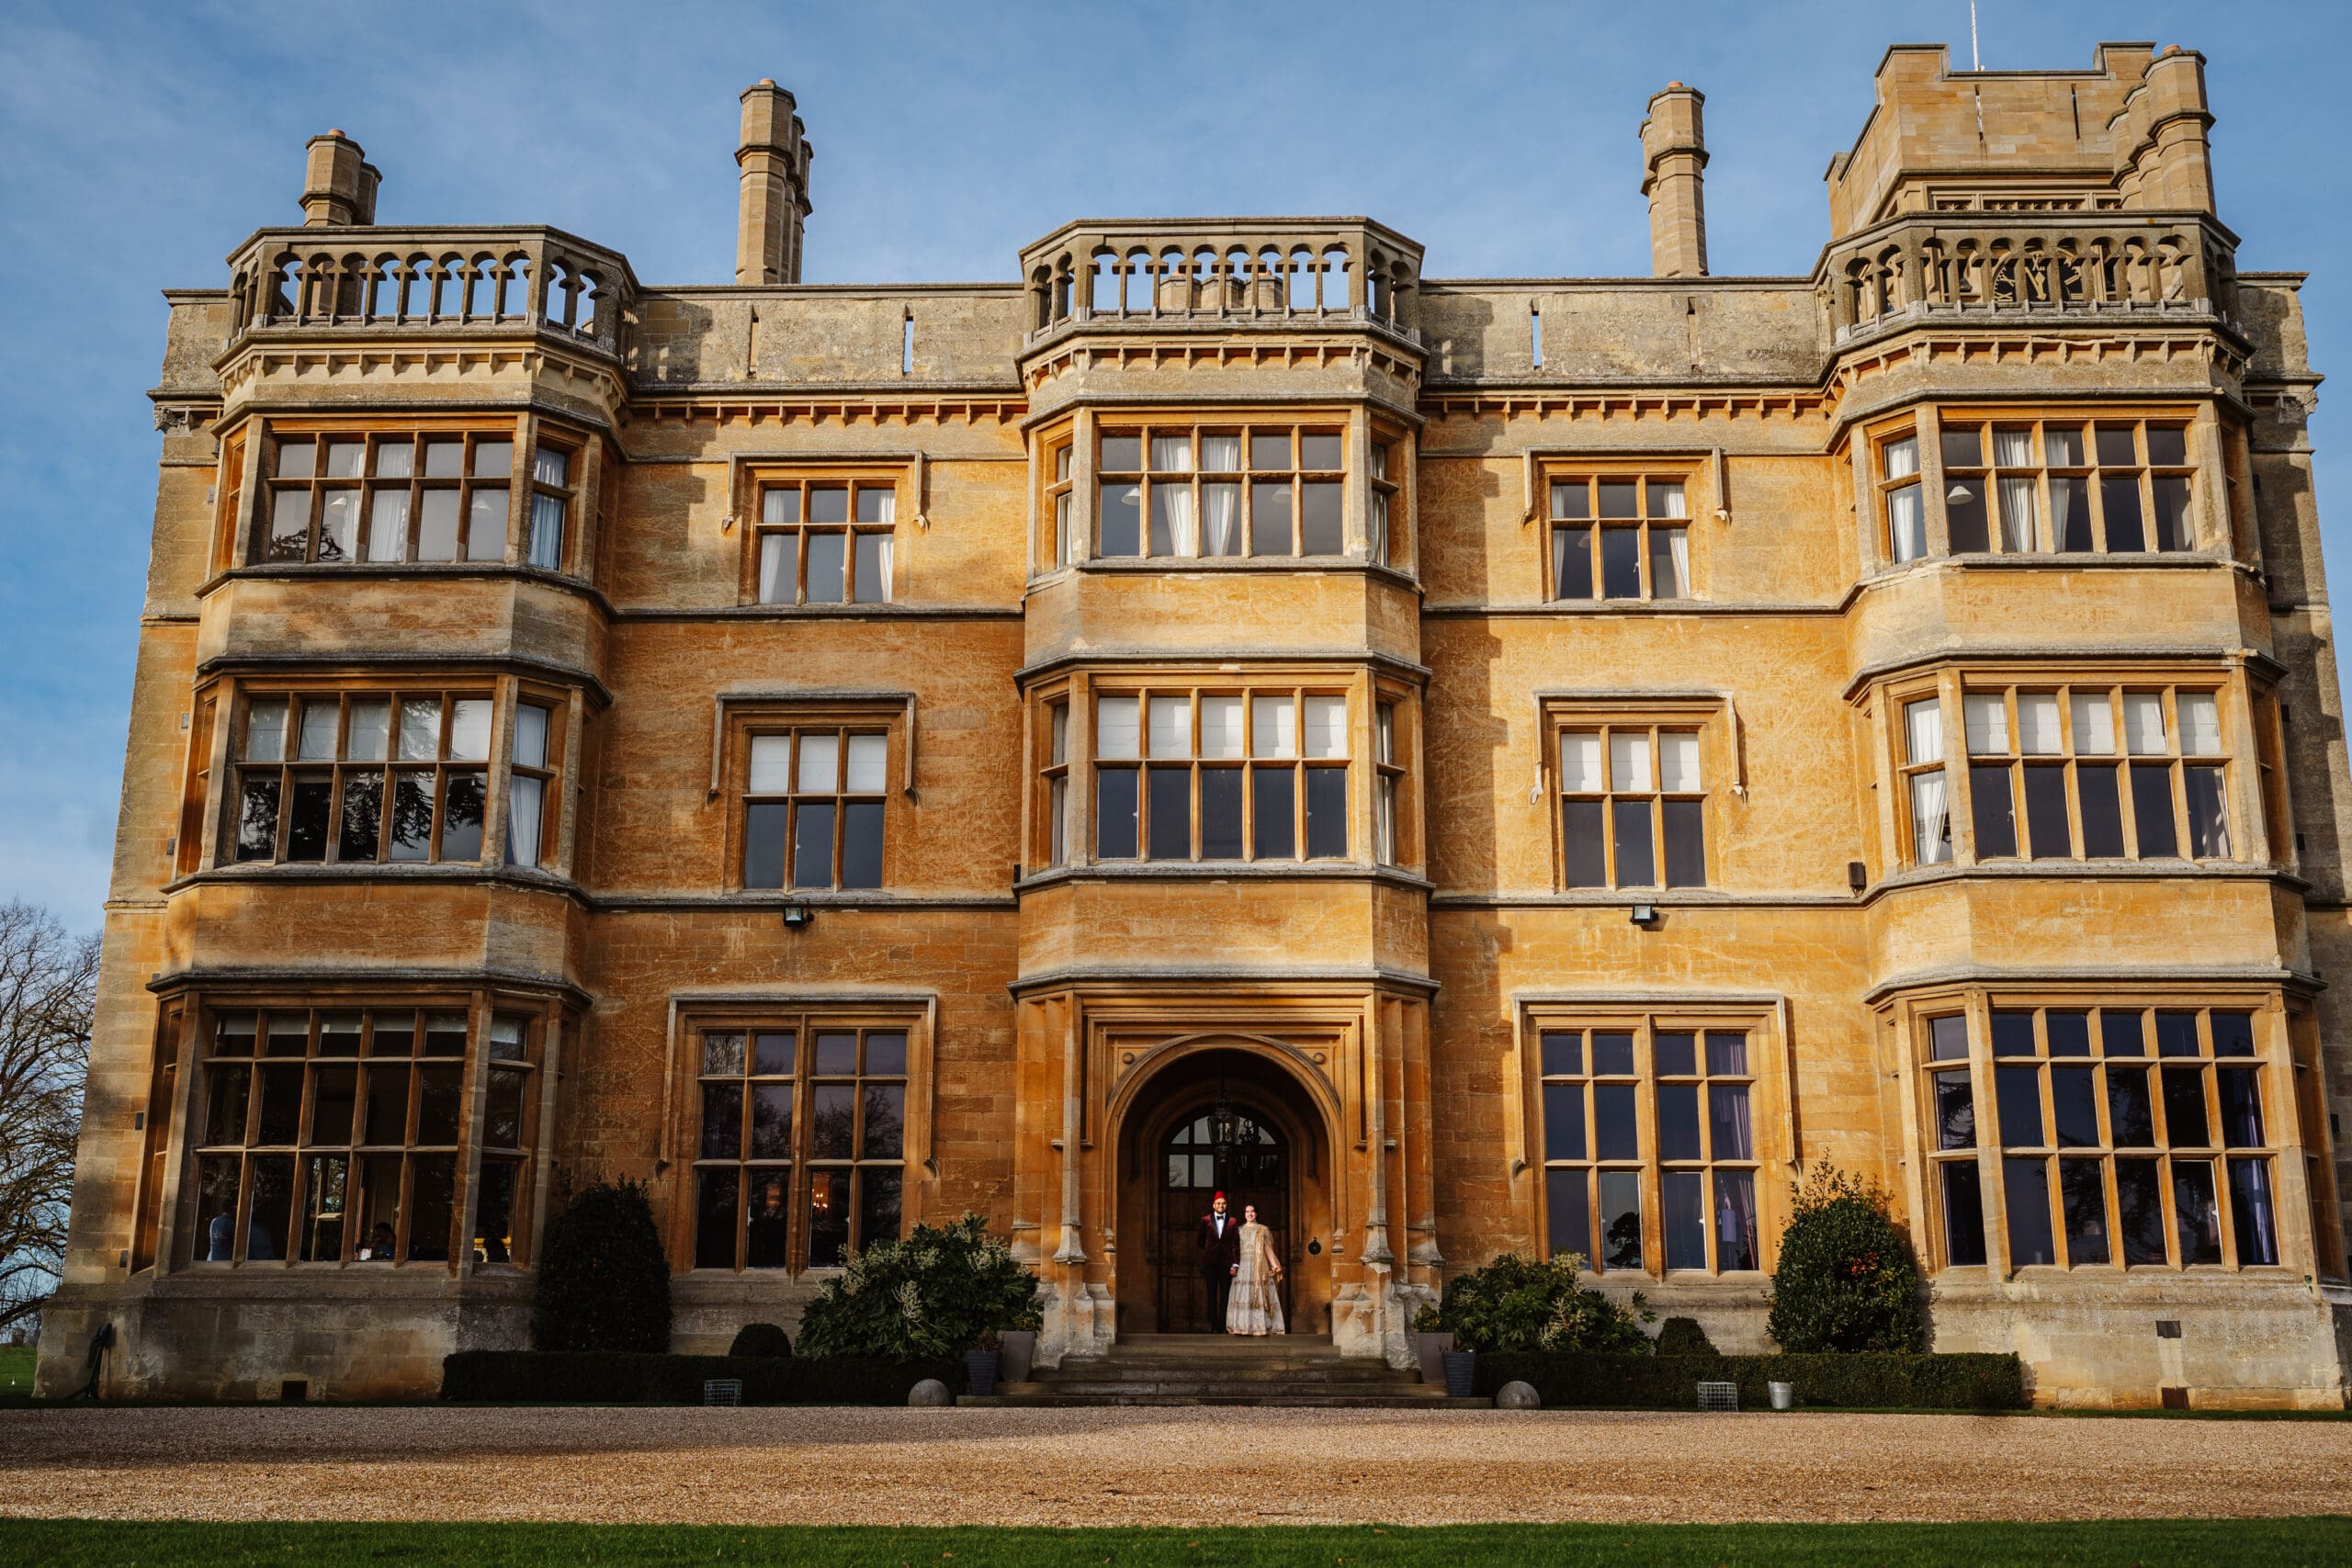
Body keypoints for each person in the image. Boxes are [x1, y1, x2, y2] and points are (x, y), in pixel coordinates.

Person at [1227, 1201, 1286, 1337]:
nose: (1250, 1214)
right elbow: (1234, 1250)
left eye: (1252, 1211)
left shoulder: (1263, 1229)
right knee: (1244, 1296)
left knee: (1260, 1296)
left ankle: (1260, 1327)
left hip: (1259, 1266)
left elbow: (1267, 1249)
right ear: (1244, 1214)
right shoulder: (1239, 1230)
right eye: (1247, 1212)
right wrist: (1232, 1265)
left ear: (1256, 1213)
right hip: (1243, 1267)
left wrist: (1274, 1264)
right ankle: (1242, 1327)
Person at [1196, 1190, 1242, 1331]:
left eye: (1223, 1203)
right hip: (1210, 1263)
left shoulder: (1233, 1221)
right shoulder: (1205, 1220)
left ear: (1226, 1205)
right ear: (1213, 1205)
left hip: (1226, 1263)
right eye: (1218, 1203)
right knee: (1211, 1294)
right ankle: (1213, 1325)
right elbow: (1200, 1240)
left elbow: (1236, 1243)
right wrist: (1209, 1250)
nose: (1221, 1205)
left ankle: (1223, 1325)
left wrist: (1235, 1263)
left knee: (1225, 1295)